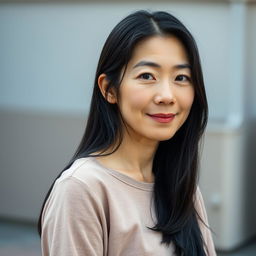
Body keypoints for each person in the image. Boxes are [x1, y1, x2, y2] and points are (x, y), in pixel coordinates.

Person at [38, 10, 216, 256]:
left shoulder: (182, 187)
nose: (167, 95)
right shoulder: (82, 189)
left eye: (181, 77)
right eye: (147, 76)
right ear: (109, 89)